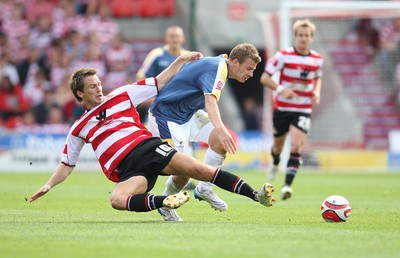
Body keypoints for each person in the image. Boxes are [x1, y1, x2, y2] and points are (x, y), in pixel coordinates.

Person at [30, 52, 275, 220]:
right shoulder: (78, 127)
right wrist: (49, 184)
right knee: (117, 199)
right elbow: (67, 163)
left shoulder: (121, 95)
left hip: (148, 148)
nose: (99, 88)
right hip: (129, 171)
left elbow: (158, 82)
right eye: (92, 86)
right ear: (80, 94)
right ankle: (164, 202)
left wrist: (180, 60)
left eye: (99, 83)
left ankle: (255, 195)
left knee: (199, 170)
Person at [148, 43, 262, 221]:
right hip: (166, 116)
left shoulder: (219, 64)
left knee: (219, 140)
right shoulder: (218, 67)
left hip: (189, 114)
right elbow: (210, 102)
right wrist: (222, 128)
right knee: (183, 171)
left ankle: (204, 188)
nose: (251, 74)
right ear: (235, 62)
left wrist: (221, 131)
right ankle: (166, 204)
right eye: (248, 68)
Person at [260, 19, 323, 201]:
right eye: (300, 35)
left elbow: (318, 78)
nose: (303, 38)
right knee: (278, 146)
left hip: (303, 108)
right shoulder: (283, 56)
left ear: (311, 38)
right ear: (295, 37)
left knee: (296, 145)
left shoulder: (317, 59)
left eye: (307, 35)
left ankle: (287, 185)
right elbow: (265, 78)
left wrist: (317, 92)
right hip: (282, 108)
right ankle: (275, 162)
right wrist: (281, 89)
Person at [136, 25, 189, 123]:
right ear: (166, 38)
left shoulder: (189, 57)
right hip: (159, 102)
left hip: (182, 103)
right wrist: (149, 97)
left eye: (177, 36)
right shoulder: (157, 54)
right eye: (172, 36)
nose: (175, 39)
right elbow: (142, 76)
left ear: (183, 38)